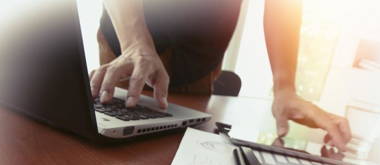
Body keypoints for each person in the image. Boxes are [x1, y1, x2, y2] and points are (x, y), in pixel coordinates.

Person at [90, 0, 351, 151]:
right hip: (126, 43)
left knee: (179, 152)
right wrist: (134, 41)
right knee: (105, 140)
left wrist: (285, 87)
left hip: (200, 58)